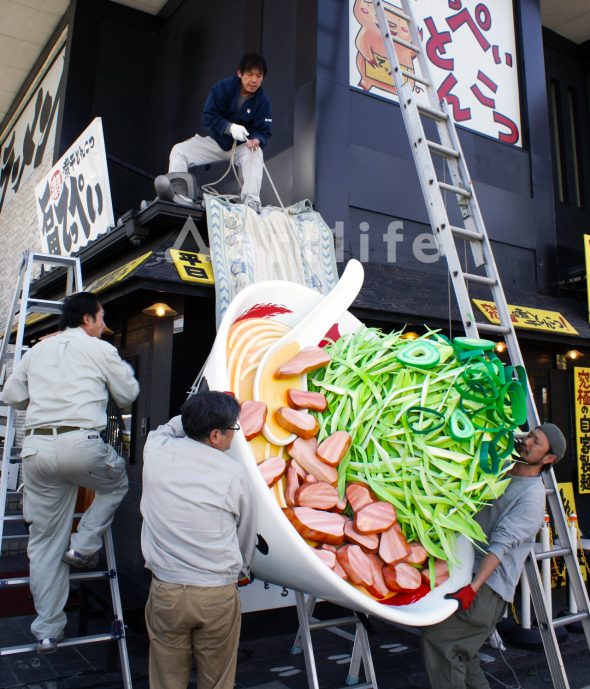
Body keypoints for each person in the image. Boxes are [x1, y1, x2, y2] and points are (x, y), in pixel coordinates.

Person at [1, 292, 139, 653]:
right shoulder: (100, 349)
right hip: (82, 444)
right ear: (88, 319)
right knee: (116, 483)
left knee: (45, 543)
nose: (104, 324)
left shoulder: (38, 351)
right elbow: (128, 395)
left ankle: (47, 630)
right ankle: (84, 545)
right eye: (102, 317)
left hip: (37, 449)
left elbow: (12, 395)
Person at [420, 422, 566, 689]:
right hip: (466, 571)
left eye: (537, 443)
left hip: (487, 587)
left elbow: (501, 545)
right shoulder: (504, 469)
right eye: (531, 435)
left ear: (548, 459)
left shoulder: (532, 499)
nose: (528, 442)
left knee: (440, 641)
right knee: (466, 655)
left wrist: (472, 589)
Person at [141, 390, 256, 689]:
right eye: (233, 428)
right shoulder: (234, 472)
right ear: (216, 435)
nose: (235, 435)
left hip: (165, 589)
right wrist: (241, 570)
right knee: (217, 680)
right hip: (215, 593)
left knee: (166, 679)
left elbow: (168, 427)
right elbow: (245, 531)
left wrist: (197, 413)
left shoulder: (155, 449)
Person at [155, 53, 272, 213]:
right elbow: (208, 116)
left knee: (255, 152)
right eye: (250, 74)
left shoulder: (263, 101)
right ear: (240, 73)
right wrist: (229, 127)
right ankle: (178, 194)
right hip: (216, 142)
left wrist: (257, 140)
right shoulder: (223, 88)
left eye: (259, 76)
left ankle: (252, 203)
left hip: (241, 147)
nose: (254, 80)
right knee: (179, 151)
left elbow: (264, 131)